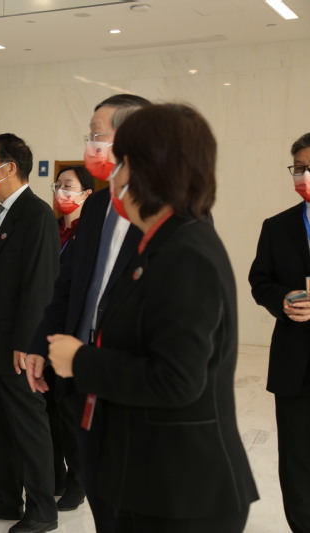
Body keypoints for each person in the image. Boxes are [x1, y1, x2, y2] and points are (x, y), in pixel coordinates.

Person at [43, 103, 258, 532]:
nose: (113, 175)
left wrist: (80, 361)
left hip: (182, 493)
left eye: (121, 162)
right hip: (149, 476)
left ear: (150, 169)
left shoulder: (185, 253)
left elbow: (177, 379)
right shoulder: (160, 242)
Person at [25, 93, 150, 533]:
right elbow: (69, 287)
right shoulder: (96, 206)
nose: (90, 146)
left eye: (99, 136)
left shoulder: (171, 213)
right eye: (90, 136)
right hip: (81, 377)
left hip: (132, 383)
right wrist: (41, 343)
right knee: (103, 498)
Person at [0, 133, 60, 533]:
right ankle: (3, 497)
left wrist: (27, 342)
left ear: (9, 167)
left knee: (28, 426)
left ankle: (42, 510)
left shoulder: (36, 214)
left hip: (17, 345)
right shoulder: (2, 213)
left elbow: (40, 284)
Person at [249, 132, 310, 533]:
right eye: (299, 168)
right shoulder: (277, 226)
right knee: (297, 459)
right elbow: (260, 281)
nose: (304, 175)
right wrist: (282, 299)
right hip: (295, 362)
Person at [42, 165, 93, 511]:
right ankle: (56, 475)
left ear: (86, 194)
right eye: (58, 185)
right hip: (44, 328)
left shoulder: (90, 234)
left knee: (69, 411)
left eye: (69, 186)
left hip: (73, 333)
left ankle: (78, 481)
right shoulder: (50, 229)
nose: (61, 191)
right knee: (47, 408)